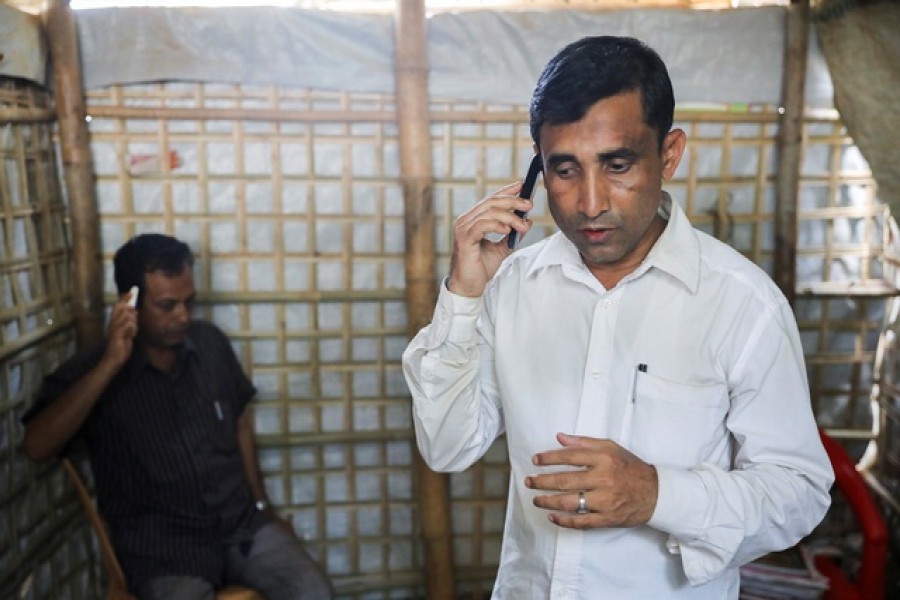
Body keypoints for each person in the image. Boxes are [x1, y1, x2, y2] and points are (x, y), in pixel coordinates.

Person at [402, 36, 834, 598]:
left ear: (669, 154)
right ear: (538, 169)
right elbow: (447, 446)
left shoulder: (742, 304)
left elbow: (799, 494)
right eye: (564, 170)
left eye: (618, 165)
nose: (590, 202)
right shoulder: (510, 286)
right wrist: (463, 295)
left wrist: (657, 495)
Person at [22, 233, 333, 600]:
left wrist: (263, 508)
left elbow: (239, 423)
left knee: (313, 590)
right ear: (130, 303)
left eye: (189, 302)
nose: (183, 316)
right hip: (164, 552)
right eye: (167, 306)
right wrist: (111, 364)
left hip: (241, 529)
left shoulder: (210, 344)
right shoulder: (93, 371)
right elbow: (37, 447)